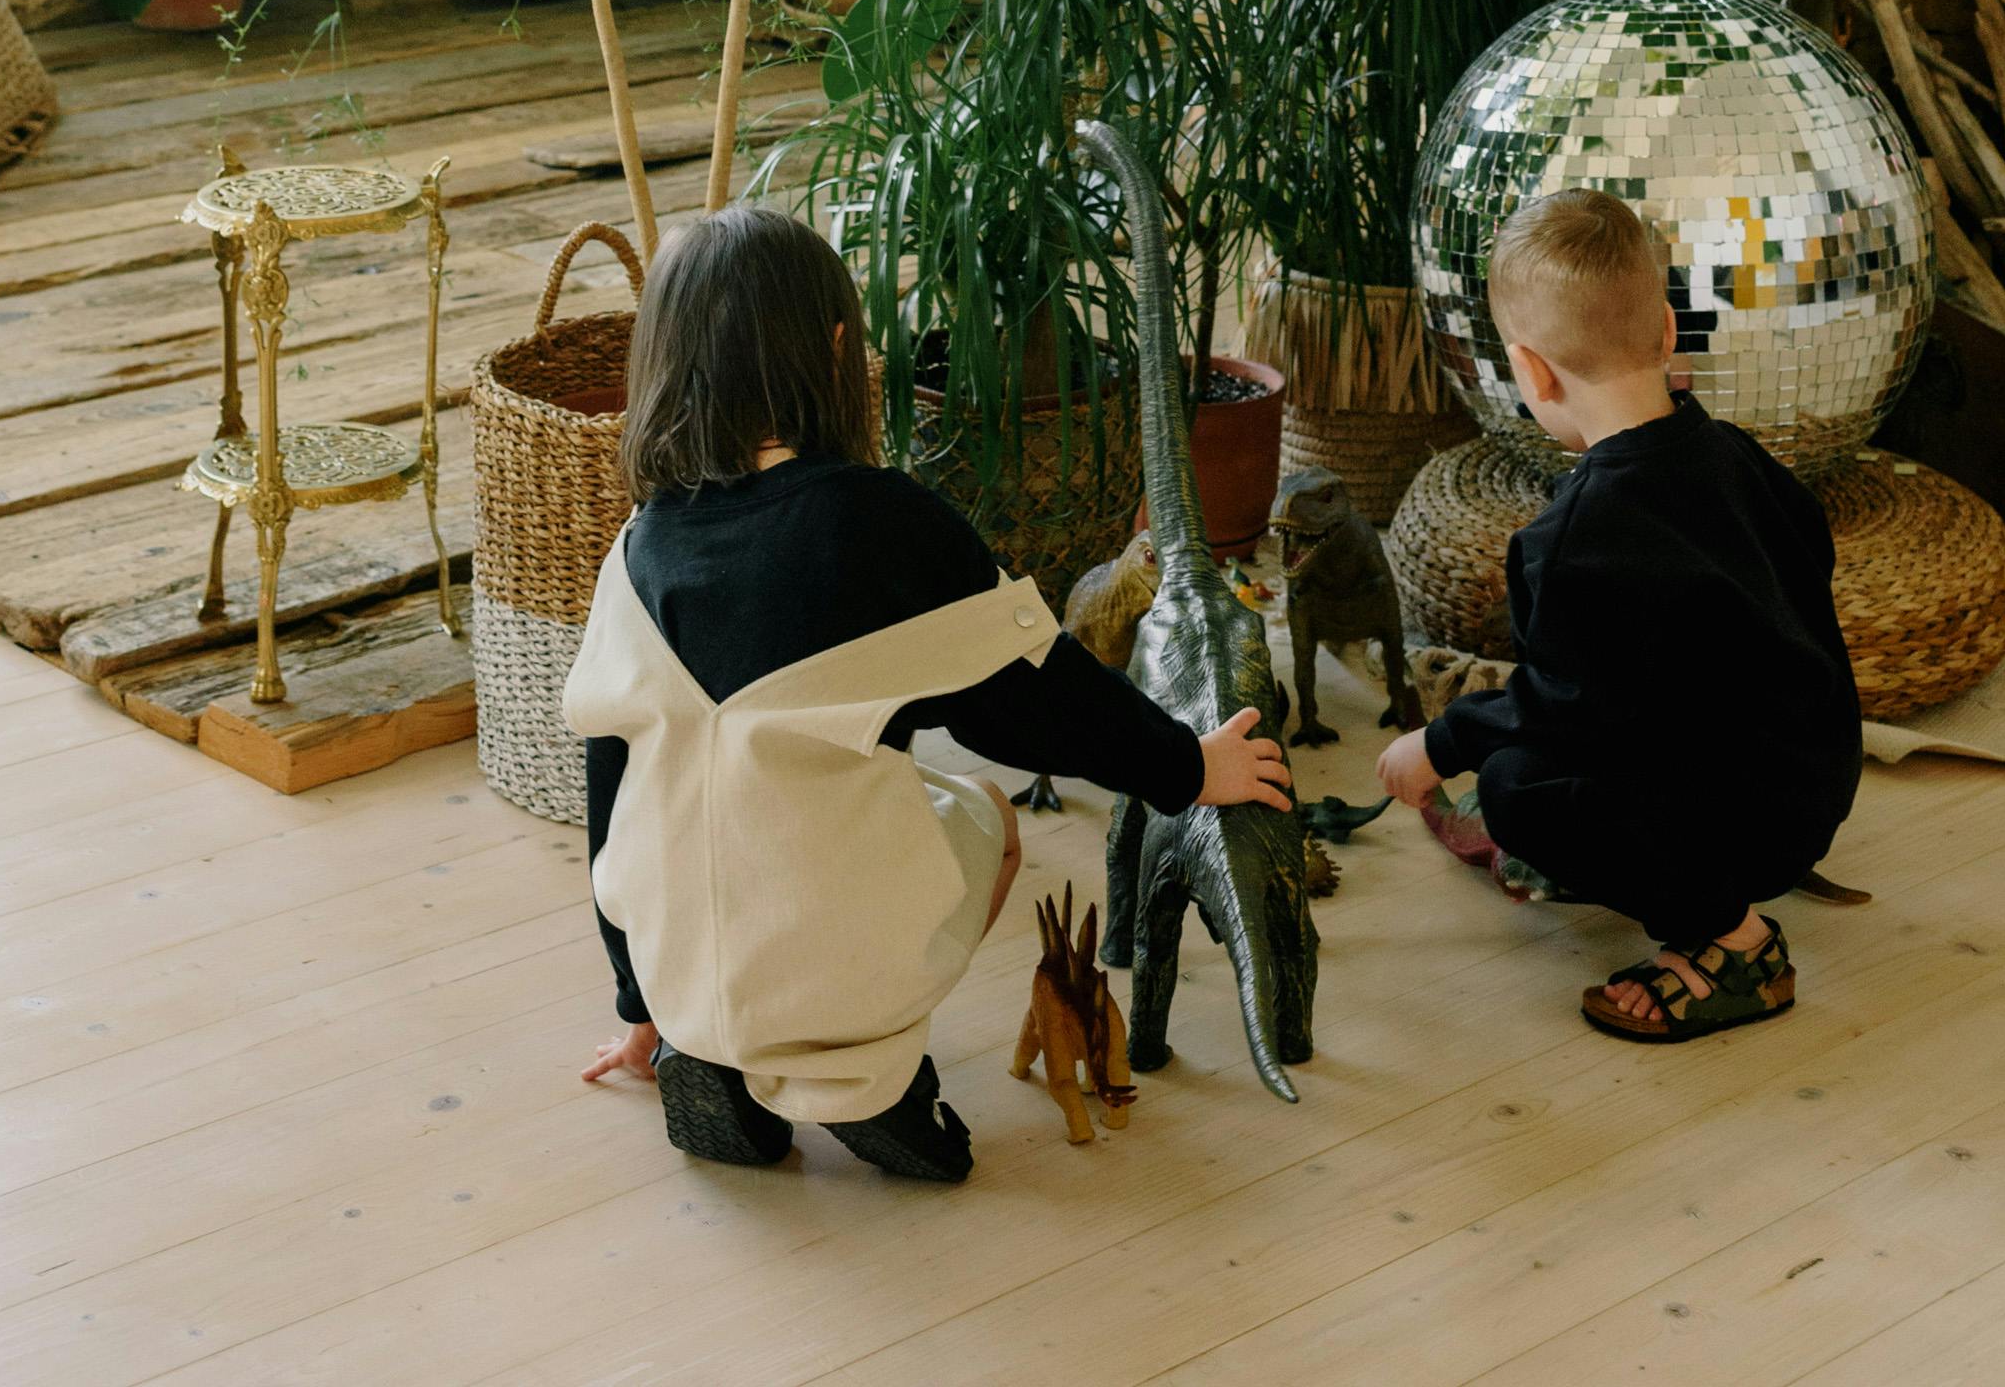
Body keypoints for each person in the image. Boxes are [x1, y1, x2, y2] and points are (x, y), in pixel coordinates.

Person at [565, 199, 1293, 1179]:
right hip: (826, 958)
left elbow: (608, 787)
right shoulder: (882, 524)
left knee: (693, 817)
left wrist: (637, 998)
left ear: (657, 365)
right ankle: (868, 1076)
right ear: (835, 350)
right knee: (982, 814)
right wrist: (1185, 766)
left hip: (674, 953)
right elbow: (1035, 698)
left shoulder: (635, 549)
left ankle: (705, 1048)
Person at [1375, 184, 1862, 1043]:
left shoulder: (1570, 539)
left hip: (1739, 832)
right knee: (1574, 737)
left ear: (1530, 372)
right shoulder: (1740, 458)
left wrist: (1442, 743)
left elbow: (1564, 706)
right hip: (1815, 786)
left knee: (1514, 786)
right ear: (1668, 330)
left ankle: (1739, 945)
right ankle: (1695, 870)